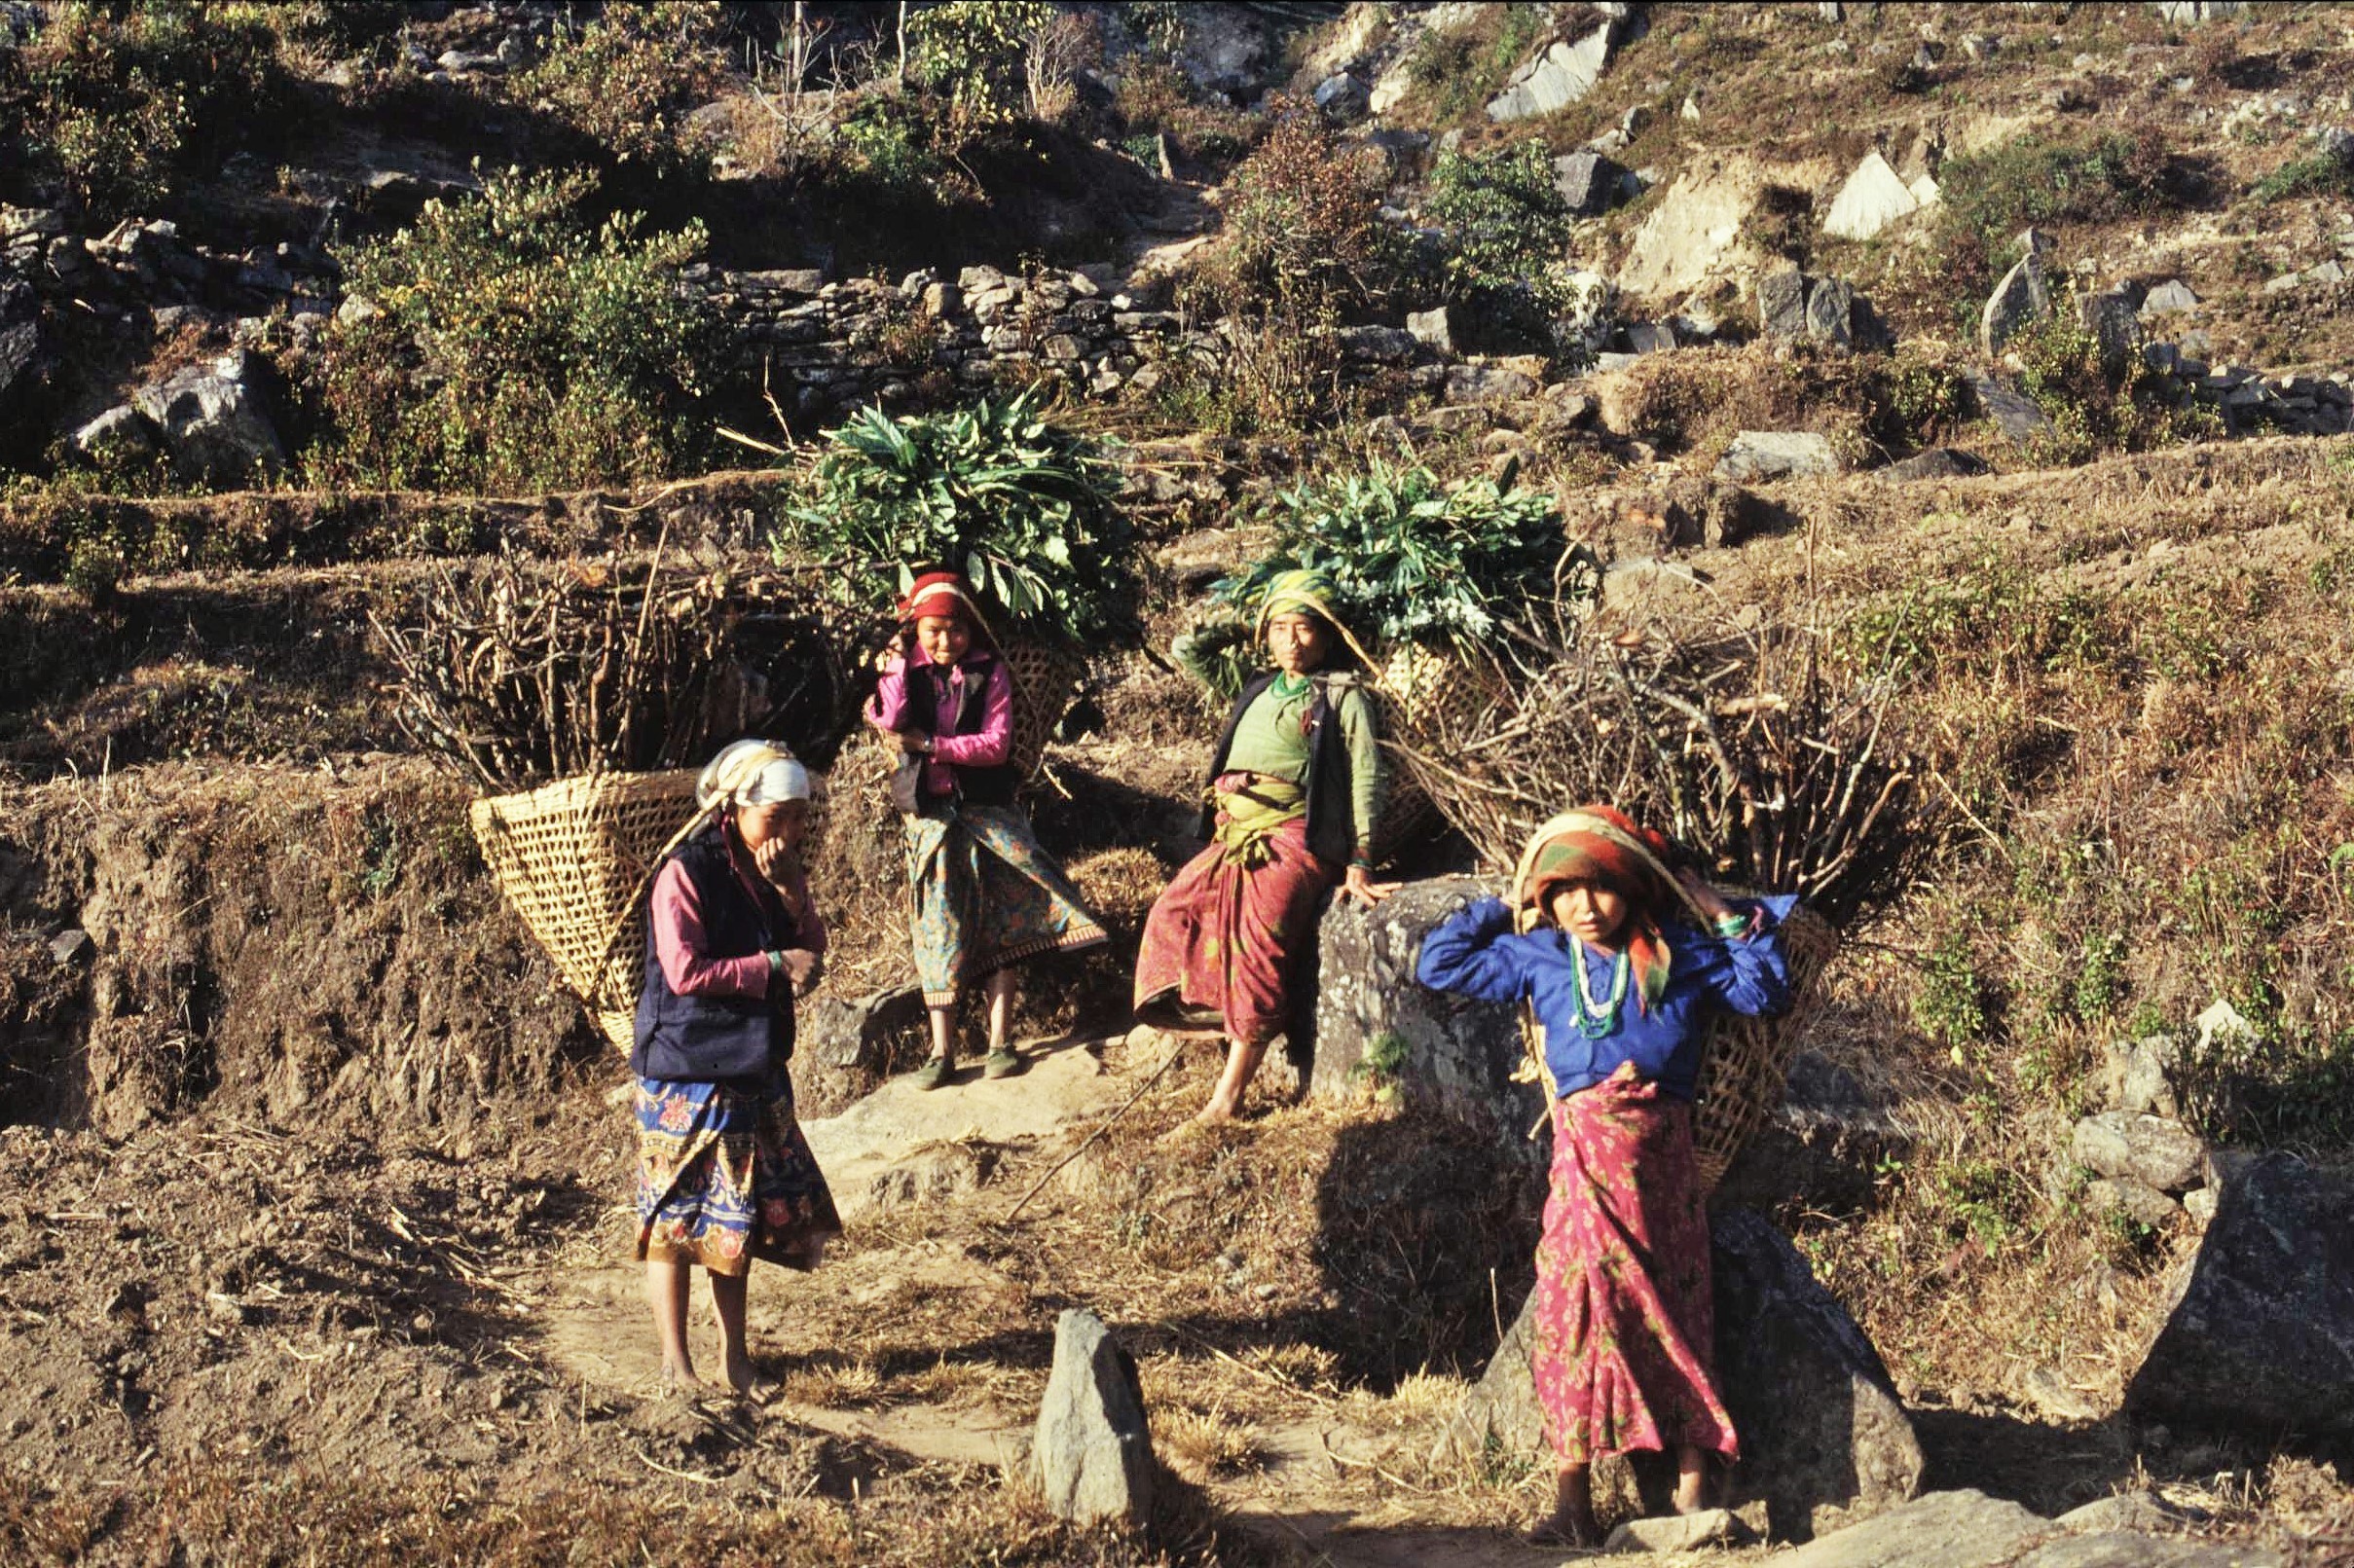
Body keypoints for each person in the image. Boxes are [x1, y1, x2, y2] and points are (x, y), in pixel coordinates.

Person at [1415, 806, 1793, 1547]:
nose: (1584, 907)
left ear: (1634, 888)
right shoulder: (1541, 955)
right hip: (1583, 1163)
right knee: (1574, 1313)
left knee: (1676, 1307)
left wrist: (1715, 908)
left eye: (1601, 887)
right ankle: (1573, 1504)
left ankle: (1692, 1489)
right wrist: (1506, 902)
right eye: (1564, 892)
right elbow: (1439, 963)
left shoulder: (1680, 953)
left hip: (1662, 1165)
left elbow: (1764, 990)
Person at [1134, 567, 1393, 1125]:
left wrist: (1361, 859)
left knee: (1259, 939)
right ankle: (1227, 1026)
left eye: (1304, 627)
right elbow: (1189, 650)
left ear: (1328, 634)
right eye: (1278, 628)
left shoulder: (1341, 695)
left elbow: (1366, 776)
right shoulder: (1255, 685)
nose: (1291, 641)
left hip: (1295, 834)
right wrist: (1246, 619)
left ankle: (1227, 1098)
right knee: (1173, 913)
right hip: (1234, 833)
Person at [632, 740, 841, 1397]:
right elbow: (684, 971)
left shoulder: (771, 872)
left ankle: (736, 1361)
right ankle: (676, 1364)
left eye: (798, 818)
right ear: (734, 808)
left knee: (733, 1216)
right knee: (674, 1218)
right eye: (776, 817)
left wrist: (791, 891)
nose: (790, 832)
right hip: (685, 1069)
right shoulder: (685, 872)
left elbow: (812, 948)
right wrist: (772, 965)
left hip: (748, 1064)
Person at [865, 570, 1108, 1087]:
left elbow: (995, 745)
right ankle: (942, 1052)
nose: (945, 641)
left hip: (989, 810)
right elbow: (891, 720)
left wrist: (931, 746)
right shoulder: (906, 669)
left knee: (1003, 920)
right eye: (933, 630)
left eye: (956, 629)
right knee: (939, 926)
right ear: (915, 630)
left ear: (971, 629)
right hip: (932, 817)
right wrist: (896, 662)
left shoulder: (989, 671)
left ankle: (1001, 1041)